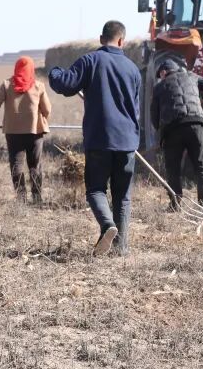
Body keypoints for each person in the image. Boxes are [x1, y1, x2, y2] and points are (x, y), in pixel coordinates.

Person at [48, 20, 142, 256]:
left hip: (100, 138)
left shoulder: (91, 60)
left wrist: (54, 72)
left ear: (102, 39)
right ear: (122, 41)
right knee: (122, 197)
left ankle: (107, 225)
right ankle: (121, 248)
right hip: (128, 140)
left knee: (96, 190)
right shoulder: (133, 69)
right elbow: (137, 109)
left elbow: (66, 85)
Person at [0, 56, 52, 203]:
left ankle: (21, 199)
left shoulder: (7, 85)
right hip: (35, 132)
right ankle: (37, 198)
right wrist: (43, 119)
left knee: (16, 165)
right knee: (35, 165)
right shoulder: (39, 86)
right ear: (31, 69)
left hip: (13, 133)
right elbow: (47, 109)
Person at [151, 59, 203, 206]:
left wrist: (160, 132)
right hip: (196, 124)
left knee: (173, 170)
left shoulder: (159, 87)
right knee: (202, 168)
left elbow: (154, 115)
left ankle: (175, 204)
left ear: (164, 72)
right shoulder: (192, 77)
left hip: (173, 129)